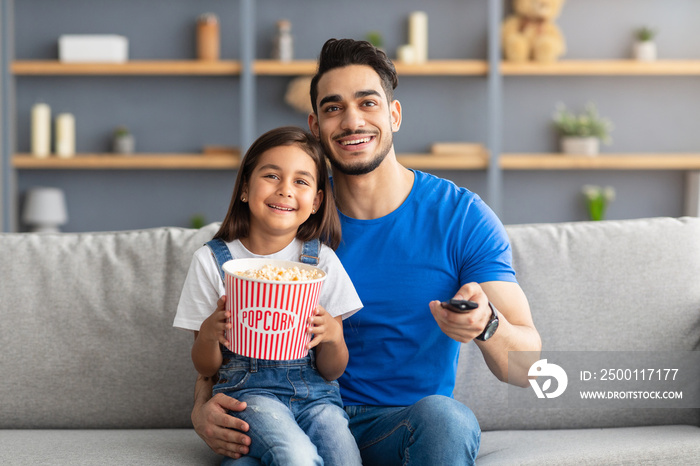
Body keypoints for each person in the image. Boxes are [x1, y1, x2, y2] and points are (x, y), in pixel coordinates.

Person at [192, 38, 542, 465]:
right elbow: (224, 314)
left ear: (393, 115)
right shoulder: (293, 208)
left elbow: (527, 368)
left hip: (399, 426)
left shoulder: (461, 217)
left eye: (368, 103)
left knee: (447, 419)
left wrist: (486, 325)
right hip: (291, 416)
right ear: (316, 127)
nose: (352, 121)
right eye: (333, 107)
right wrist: (200, 408)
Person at [174, 126, 363, 465]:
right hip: (249, 395)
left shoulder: (321, 262)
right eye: (272, 175)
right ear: (245, 188)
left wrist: (333, 337)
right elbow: (205, 367)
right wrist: (208, 334)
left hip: (318, 398)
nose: (285, 190)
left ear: (317, 201)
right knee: (296, 456)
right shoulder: (213, 261)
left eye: (301, 182)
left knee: (344, 455)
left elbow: (333, 371)